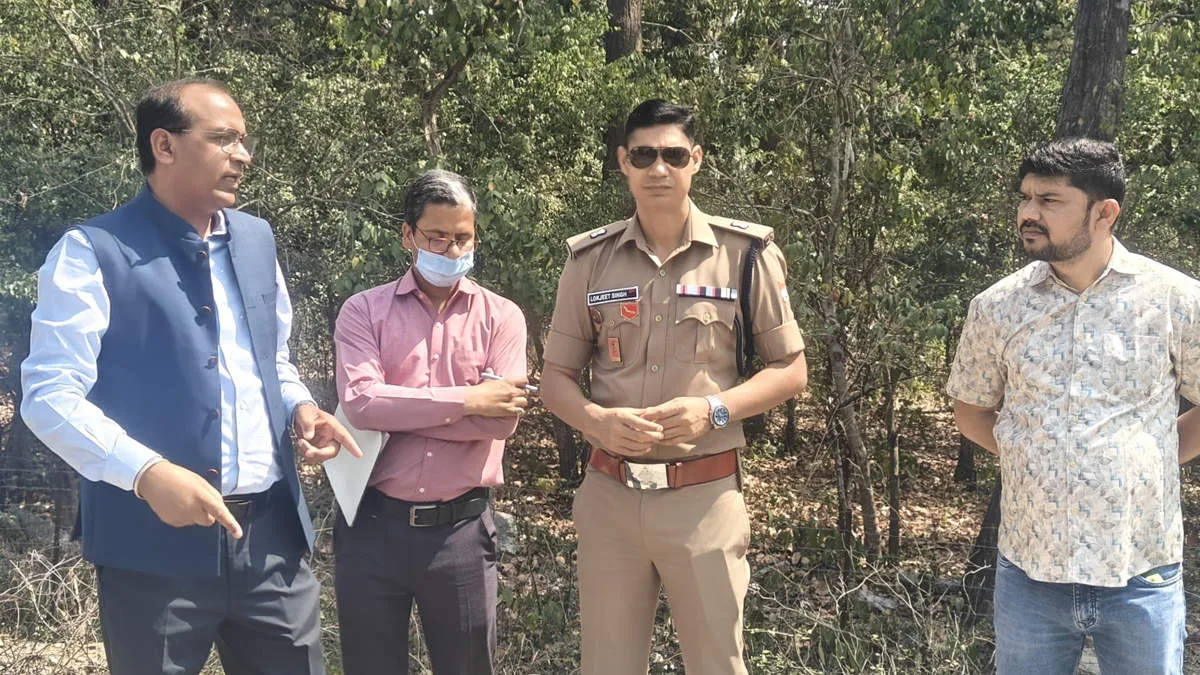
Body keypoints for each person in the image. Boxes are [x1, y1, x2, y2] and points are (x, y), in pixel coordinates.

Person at [20, 78, 360, 675]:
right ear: (165, 145)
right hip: (150, 552)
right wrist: (147, 472)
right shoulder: (92, 251)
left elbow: (270, 360)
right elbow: (49, 396)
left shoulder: (256, 241)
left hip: (272, 545)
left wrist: (300, 407)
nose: (243, 156)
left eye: (244, 141)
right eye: (224, 138)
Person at [540, 99, 808, 674]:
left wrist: (713, 410)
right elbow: (555, 379)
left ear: (696, 160)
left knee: (717, 665)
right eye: (643, 155)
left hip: (704, 498)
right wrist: (596, 421)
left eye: (673, 155)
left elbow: (791, 369)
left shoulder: (745, 255)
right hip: (610, 497)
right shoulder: (590, 260)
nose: (658, 168)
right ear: (623, 162)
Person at [948, 138, 1200, 675]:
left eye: (1049, 201)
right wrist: (1035, 453)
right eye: (1025, 198)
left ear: (1104, 212)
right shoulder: (997, 307)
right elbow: (971, 412)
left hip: (1142, 573)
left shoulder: (1176, 301)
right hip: (1030, 579)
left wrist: (1146, 458)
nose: (1028, 213)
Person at [333, 169, 529, 674]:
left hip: (461, 533)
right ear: (408, 235)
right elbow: (361, 404)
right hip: (371, 527)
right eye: (436, 237)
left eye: (462, 237)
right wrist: (470, 401)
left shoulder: (502, 317)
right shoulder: (363, 311)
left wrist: (399, 409)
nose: (451, 249)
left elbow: (502, 423)